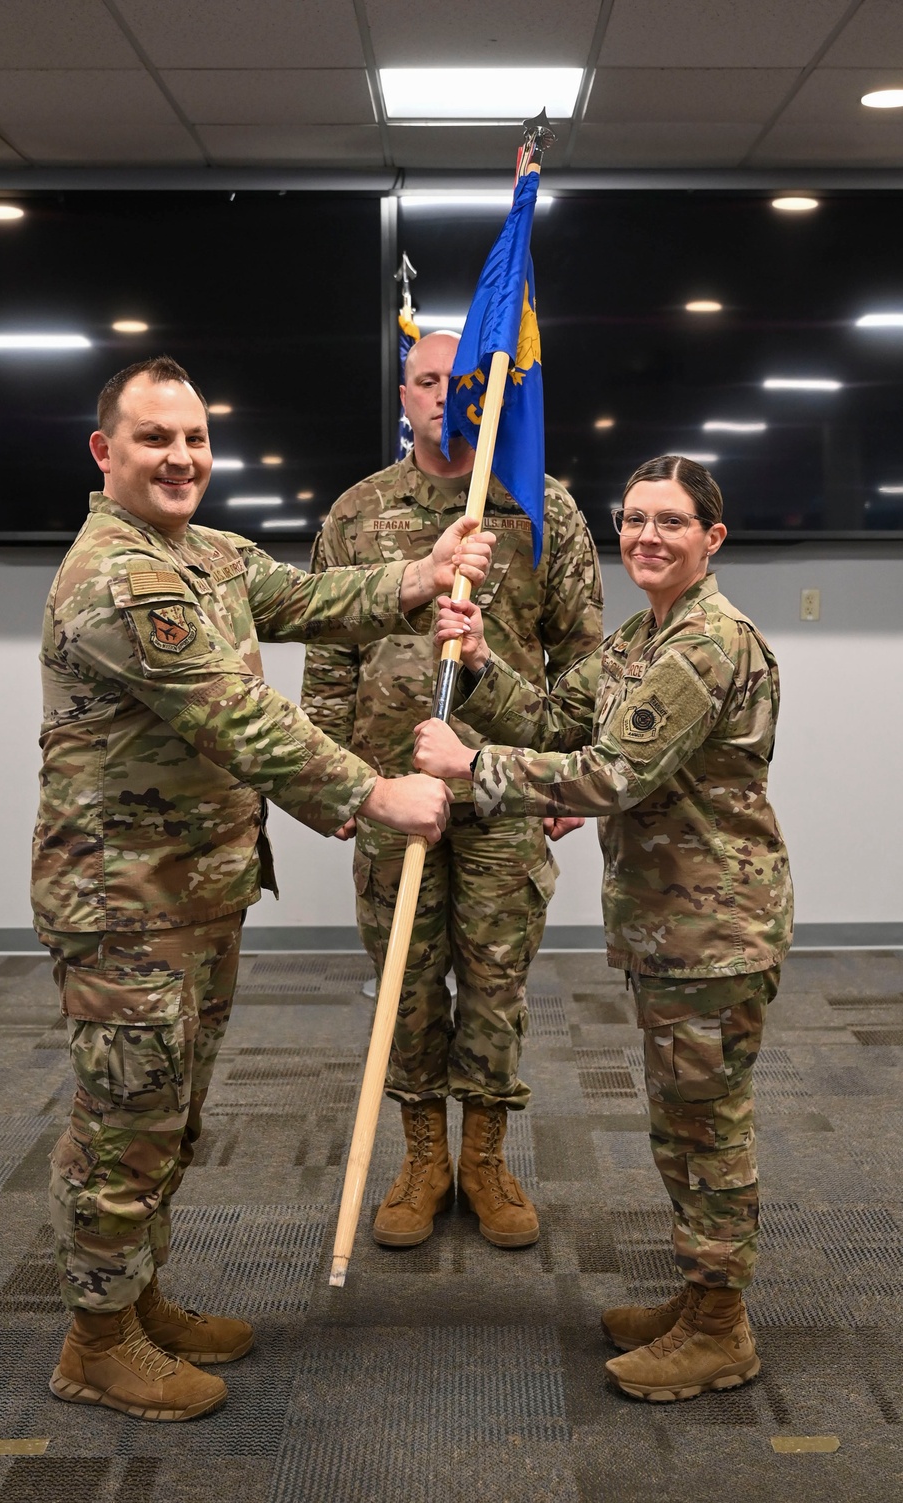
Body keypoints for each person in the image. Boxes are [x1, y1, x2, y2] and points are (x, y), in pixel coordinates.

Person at [32, 355, 496, 1422]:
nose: (181, 457)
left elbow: (309, 595)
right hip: (124, 907)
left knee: (173, 1116)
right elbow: (242, 721)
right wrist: (375, 794)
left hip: (193, 892)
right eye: (154, 439)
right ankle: (94, 1342)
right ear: (106, 454)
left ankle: (134, 1299)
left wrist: (418, 576)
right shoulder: (122, 577)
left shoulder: (202, 552)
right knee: (125, 1122)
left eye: (194, 438)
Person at [413, 455, 792, 1402]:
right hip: (670, 922)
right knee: (680, 1122)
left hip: (715, 927)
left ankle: (720, 1328)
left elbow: (613, 774)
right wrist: (482, 666)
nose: (645, 536)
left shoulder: (706, 643)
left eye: (670, 521)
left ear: (713, 537)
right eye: (632, 519)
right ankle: (703, 1299)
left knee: (707, 1129)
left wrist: (471, 764)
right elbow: (558, 716)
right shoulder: (643, 634)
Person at [301, 332, 603, 1252]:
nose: (443, 395)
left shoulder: (540, 507)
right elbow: (326, 662)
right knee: (407, 990)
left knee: (497, 984)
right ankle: (422, 1155)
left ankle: (486, 1155)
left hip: (505, 789)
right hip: (394, 795)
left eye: (461, 381)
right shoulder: (358, 515)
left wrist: (577, 774)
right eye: (428, 381)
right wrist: (339, 785)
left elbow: (585, 658)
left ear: (488, 392)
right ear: (405, 392)